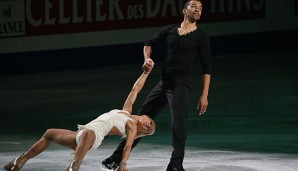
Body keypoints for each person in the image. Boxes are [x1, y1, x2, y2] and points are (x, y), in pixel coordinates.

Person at [101, 0, 212, 171]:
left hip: (181, 84)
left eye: (201, 8)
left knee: (179, 121)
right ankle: (115, 158)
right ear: (184, 10)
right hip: (164, 82)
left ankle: (175, 164)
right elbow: (149, 42)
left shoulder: (201, 37)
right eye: (194, 7)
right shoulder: (170, 30)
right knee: (142, 118)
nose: (198, 10)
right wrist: (147, 59)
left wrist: (204, 95)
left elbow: (207, 68)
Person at [3, 66, 156, 171]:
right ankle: (21, 160)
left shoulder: (131, 126)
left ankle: (74, 166)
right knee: (49, 133)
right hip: (80, 134)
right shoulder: (126, 111)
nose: (147, 126)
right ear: (146, 116)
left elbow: (128, 146)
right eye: (150, 124)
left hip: (93, 137)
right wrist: (146, 73)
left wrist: (123, 163)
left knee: (89, 133)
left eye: (147, 130)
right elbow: (135, 89)